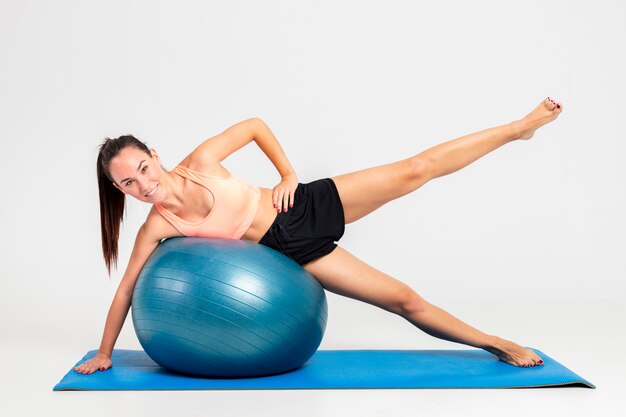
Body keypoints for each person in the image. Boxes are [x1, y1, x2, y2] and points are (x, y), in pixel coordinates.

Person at [74, 97, 563, 374]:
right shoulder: (157, 225)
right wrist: (105, 352)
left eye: (143, 167)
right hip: (290, 252)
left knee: (416, 169)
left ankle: (518, 129)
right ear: (120, 190)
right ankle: (497, 342)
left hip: (303, 203)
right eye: (129, 183)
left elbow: (253, 124)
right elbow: (126, 290)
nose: (144, 184)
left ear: (155, 155)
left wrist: (287, 176)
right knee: (403, 300)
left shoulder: (200, 162)